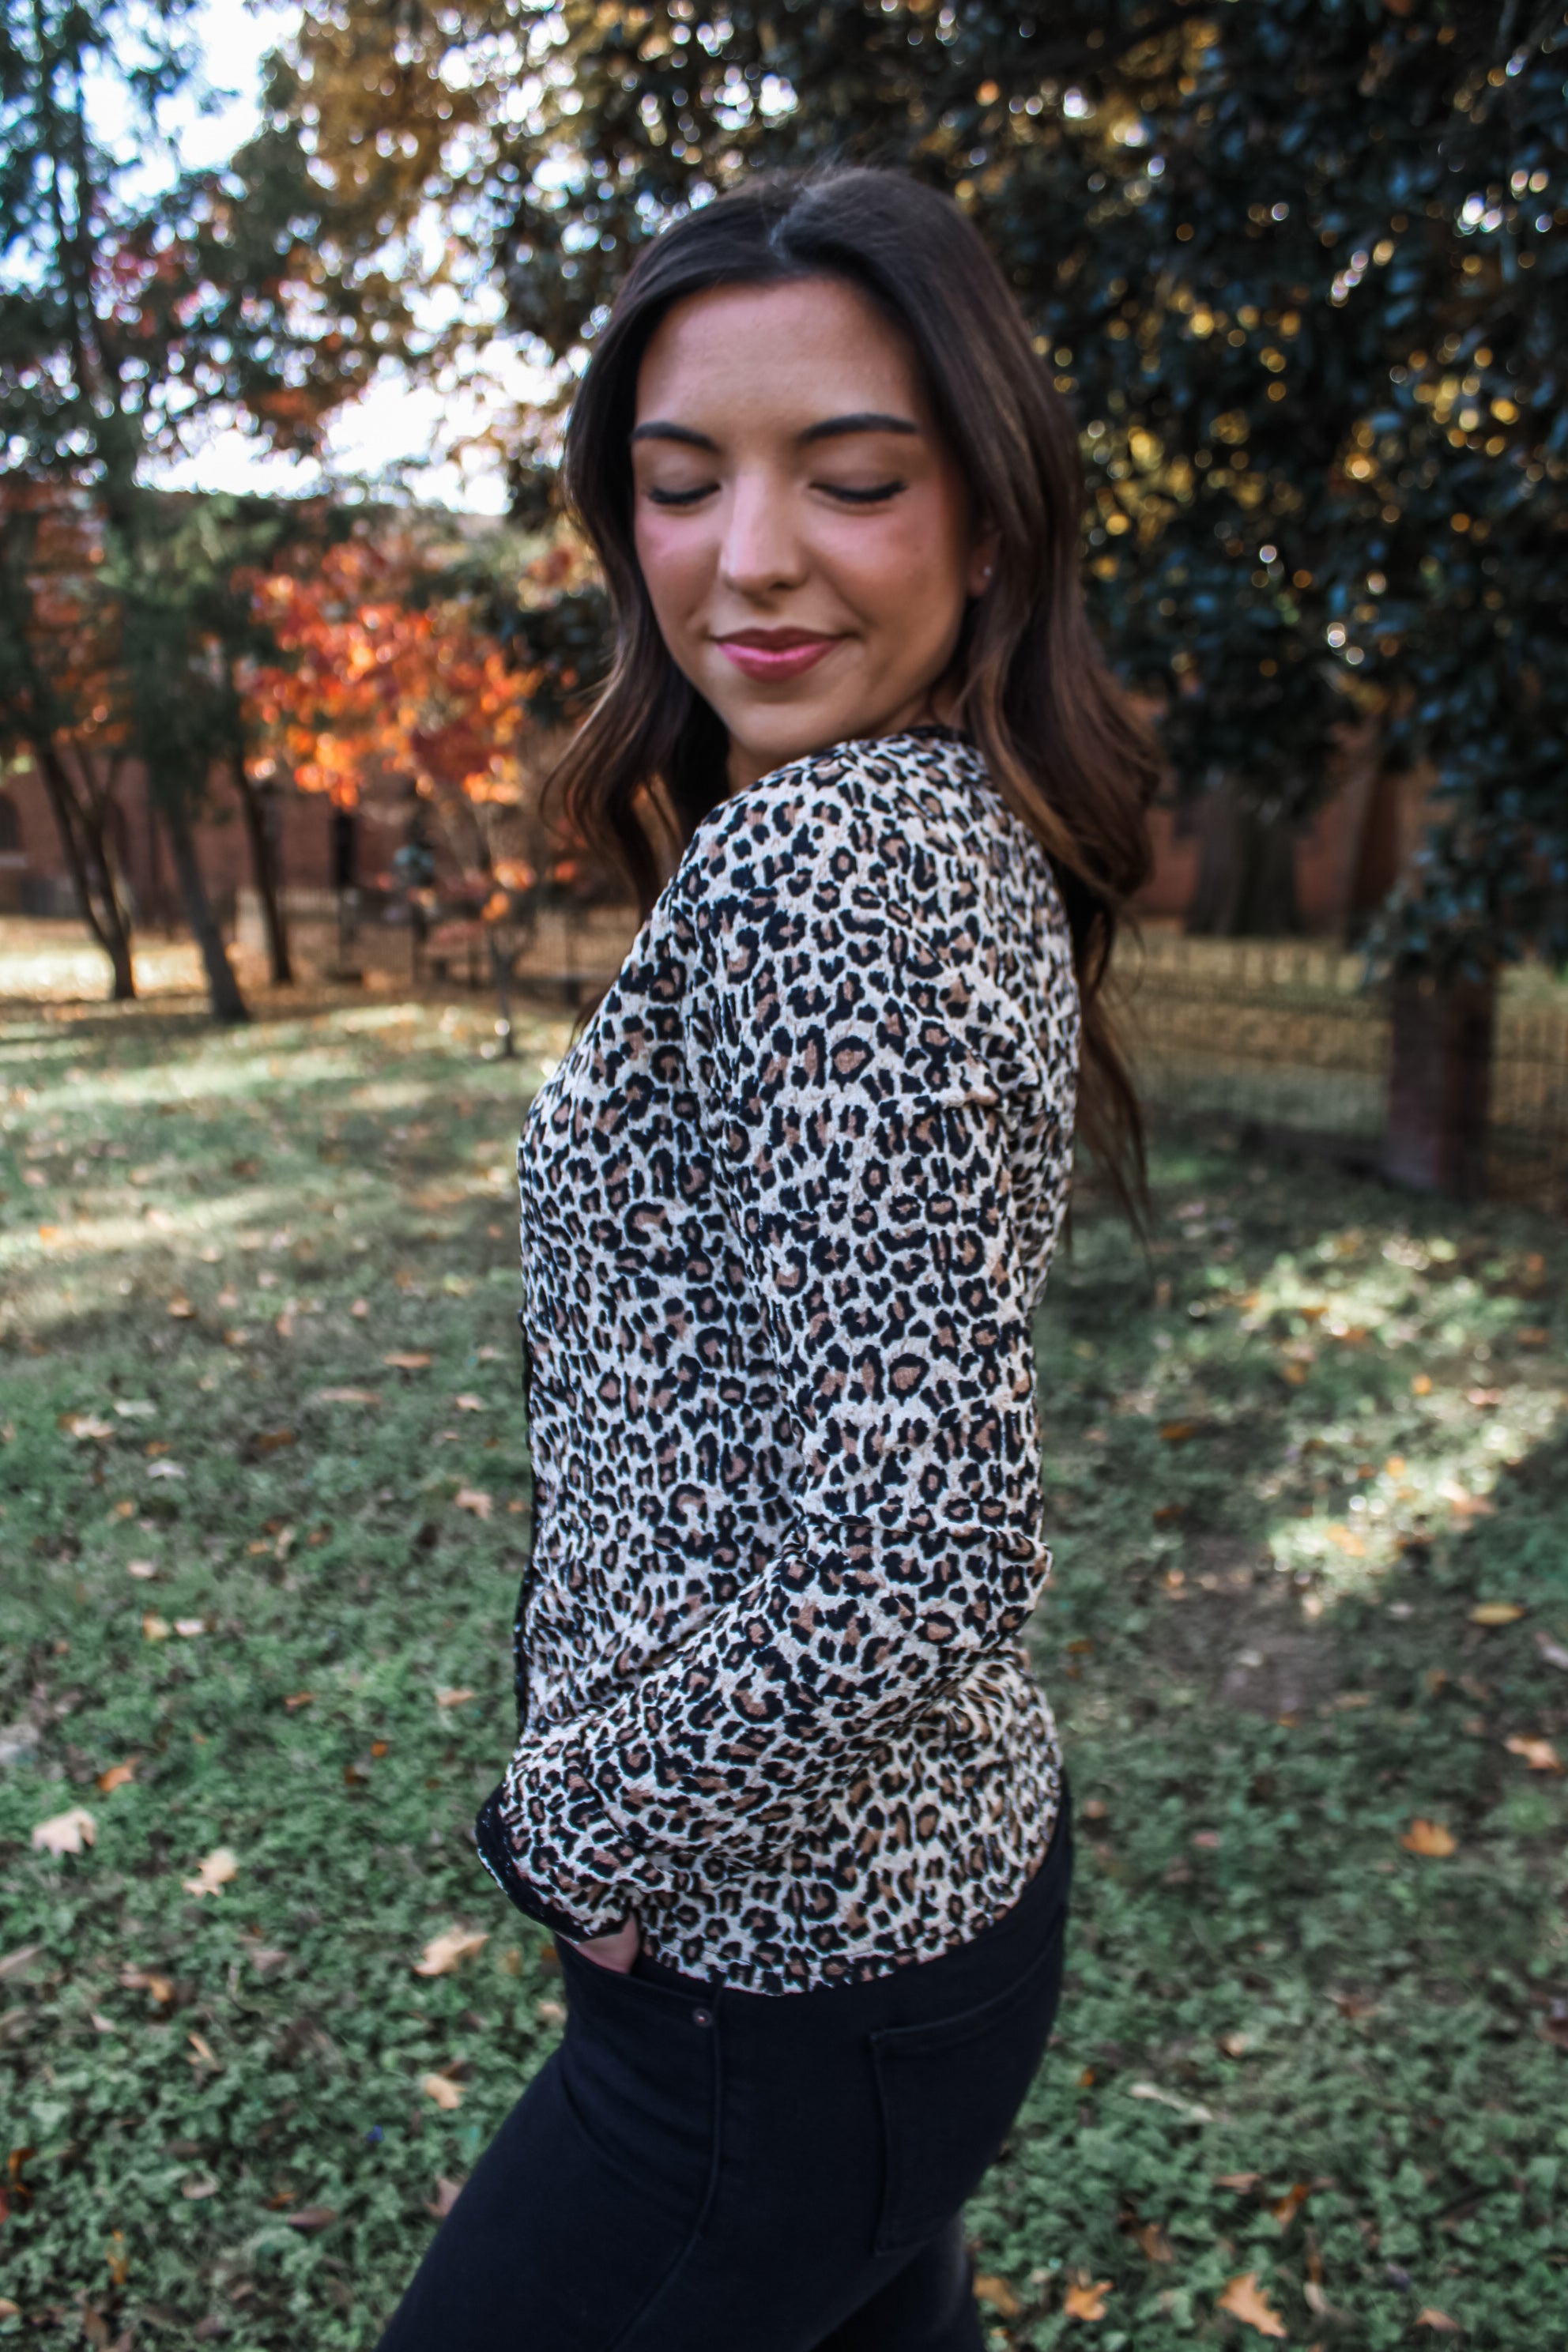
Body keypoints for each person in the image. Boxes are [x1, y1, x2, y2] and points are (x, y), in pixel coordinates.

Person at [377, 165, 1156, 2352]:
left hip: (777, 1980)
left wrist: (572, 1825)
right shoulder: (940, 816)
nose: (751, 557)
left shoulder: (832, 862)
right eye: (680, 483)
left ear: (987, 518)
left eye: (855, 480)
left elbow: (920, 1546)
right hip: (916, 1921)